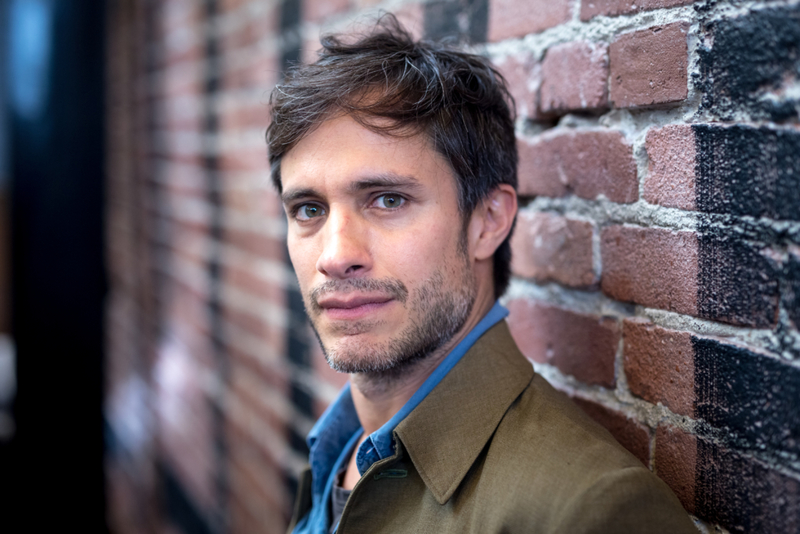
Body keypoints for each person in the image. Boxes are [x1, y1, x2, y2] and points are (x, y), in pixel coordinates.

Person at [266, 15, 697, 534]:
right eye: (309, 210)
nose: (335, 256)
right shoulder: (335, 449)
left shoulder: (591, 511)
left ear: (487, 222)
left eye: (387, 200)